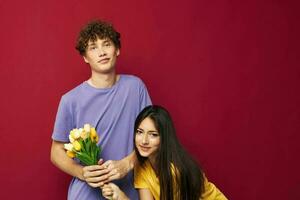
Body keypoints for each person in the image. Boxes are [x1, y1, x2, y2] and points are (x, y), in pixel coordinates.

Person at [50, 20, 151, 200]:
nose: (102, 52)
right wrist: (82, 172)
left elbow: (154, 137)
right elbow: (56, 151)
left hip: (127, 193)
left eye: (107, 44)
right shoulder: (70, 100)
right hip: (85, 194)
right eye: (93, 47)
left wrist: (128, 163)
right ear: (85, 57)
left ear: (117, 50)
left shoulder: (135, 88)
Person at [102, 105, 227, 200]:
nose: (144, 140)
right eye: (140, 132)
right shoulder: (142, 166)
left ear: (164, 138)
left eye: (153, 135)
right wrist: (119, 195)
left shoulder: (176, 170)